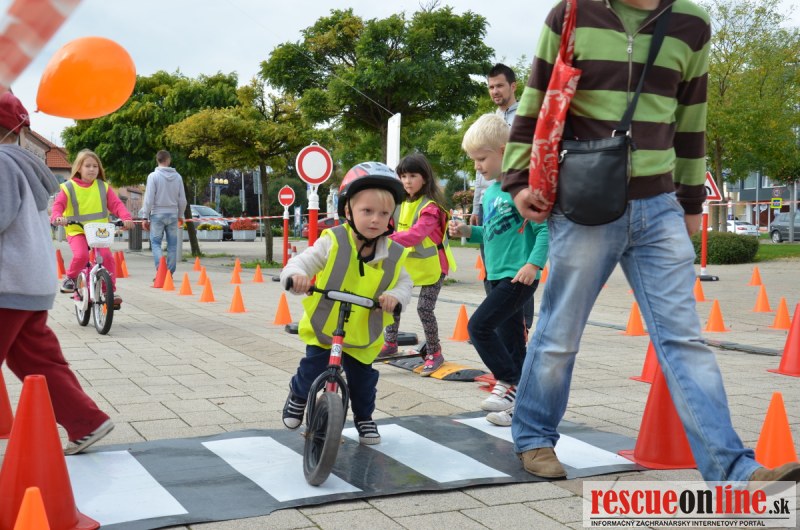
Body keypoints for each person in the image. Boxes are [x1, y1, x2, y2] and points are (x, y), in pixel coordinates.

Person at [502, 0, 800, 485]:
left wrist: (690, 202)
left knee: (685, 340)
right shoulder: (572, 13)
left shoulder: (691, 22)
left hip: (659, 205)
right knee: (560, 333)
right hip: (586, 200)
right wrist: (517, 181)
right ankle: (534, 436)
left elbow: (691, 119)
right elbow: (535, 100)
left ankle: (733, 469)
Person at [0, 90, 114, 455]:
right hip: (30, 281)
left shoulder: (1, 163)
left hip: (7, 282)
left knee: (37, 359)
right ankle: (86, 422)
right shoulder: (23, 163)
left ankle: (86, 421)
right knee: (37, 360)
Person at [280, 162, 412, 444]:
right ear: (348, 211)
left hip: (364, 330)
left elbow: (405, 284)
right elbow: (303, 261)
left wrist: (395, 297)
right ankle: (298, 395)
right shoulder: (334, 241)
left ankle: (364, 418)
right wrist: (296, 276)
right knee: (312, 367)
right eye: (367, 211)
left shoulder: (394, 253)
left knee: (364, 382)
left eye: (383, 213)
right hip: (326, 326)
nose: (375, 219)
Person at [450, 114, 548, 427]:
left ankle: (507, 380)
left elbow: (544, 230)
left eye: (481, 158)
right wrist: (468, 231)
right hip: (494, 276)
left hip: (517, 276)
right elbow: (491, 233)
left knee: (478, 327)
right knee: (513, 344)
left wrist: (534, 264)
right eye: (473, 160)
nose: (477, 166)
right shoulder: (492, 192)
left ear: (504, 152)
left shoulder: (523, 189)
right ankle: (521, 406)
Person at [378, 153, 457, 376]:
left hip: (433, 266)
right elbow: (387, 226)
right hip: (408, 265)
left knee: (424, 308)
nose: (407, 181)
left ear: (425, 178)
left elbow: (416, 234)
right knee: (391, 300)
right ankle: (390, 343)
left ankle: (435, 352)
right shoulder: (398, 204)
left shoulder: (431, 207)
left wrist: (383, 241)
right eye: (403, 176)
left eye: (413, 176)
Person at [51, 149, 134, 306]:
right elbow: (58, 206)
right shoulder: (68, 187)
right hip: (77, 230)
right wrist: (57, 217)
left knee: (107, 258)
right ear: (79, 168)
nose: (92, 169)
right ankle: (71, 278)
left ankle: (108, 292)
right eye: (87, 166)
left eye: (95, 166)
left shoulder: (103, 187)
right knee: (81, 255)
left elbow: (117, 205)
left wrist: (126, 218)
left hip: (98, 232)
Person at [470, 63, 518, 227]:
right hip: (487, 200)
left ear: (513, 86)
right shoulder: (486, 122)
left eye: (499, 86)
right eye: (491, 87)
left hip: (514, 198)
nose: (495, 91)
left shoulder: (526, 119)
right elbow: (479, 168)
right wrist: (476, 207)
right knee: (487, 244)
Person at [141, 150, 187, 275]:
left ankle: (161, 271)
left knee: (156, 243)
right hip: (173, 214)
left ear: (157, 160)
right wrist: (180, 215)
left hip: (157, 214)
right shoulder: (178, 177)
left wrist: (145, 217)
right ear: (168, 160)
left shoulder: (153, 176)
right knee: (172, 244)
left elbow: (149, 199)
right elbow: (182, 200)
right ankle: (169, 273)